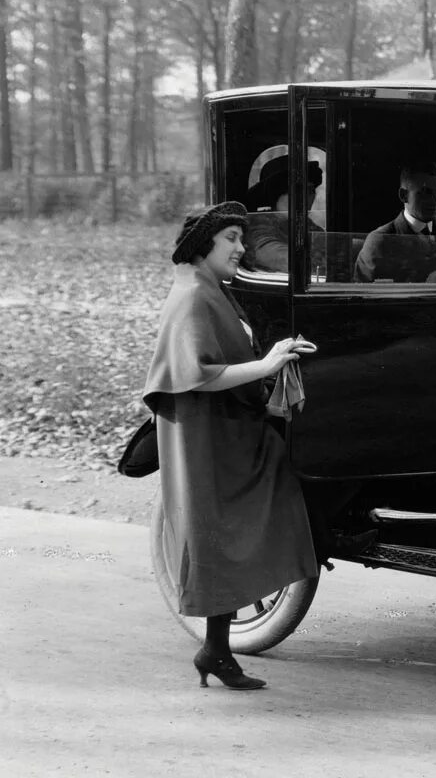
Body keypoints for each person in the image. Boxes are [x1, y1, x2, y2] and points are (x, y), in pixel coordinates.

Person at [144, 201, 319, 691]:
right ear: (205, 245)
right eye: (232, 240)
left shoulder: (209, 289)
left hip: (227, 434)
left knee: (226, 533)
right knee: (220, 534)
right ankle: (216, 652)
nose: (242, 249)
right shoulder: (193, 297)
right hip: (210, 441)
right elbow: (197, 374)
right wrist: (270, 363)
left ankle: (216, 651)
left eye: (242, 239)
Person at [354, 162, 436, 282]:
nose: (435, 201)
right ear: (403, 195)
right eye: (426, 193)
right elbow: (364, 295)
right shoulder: (381, 241)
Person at [243, 157, 324, 274]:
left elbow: (328, 245)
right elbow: (284, 260)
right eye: (296, 190)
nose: (305, 197)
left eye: (310, 190)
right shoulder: (258, 224)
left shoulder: (307, 225)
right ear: (275, 195)